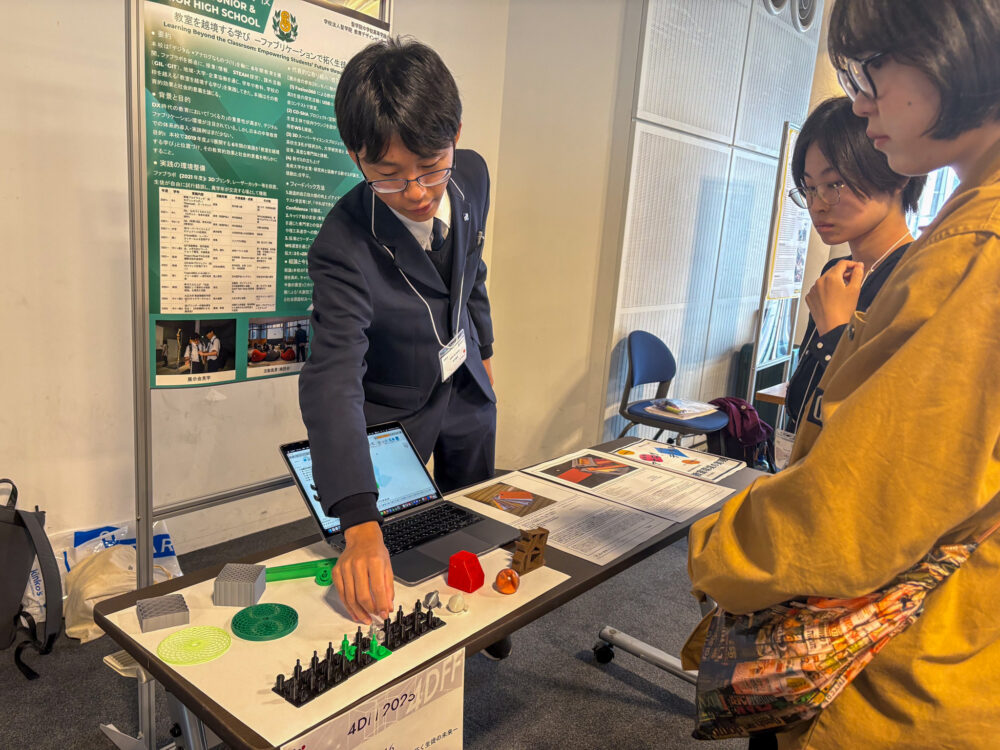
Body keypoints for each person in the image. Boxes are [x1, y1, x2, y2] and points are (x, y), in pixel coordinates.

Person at [684, 2, 1000, 748]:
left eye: (869, 70)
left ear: (955, 44)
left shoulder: (972, 251)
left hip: (893, 664)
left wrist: (716, 546)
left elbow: (857, 508)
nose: (861, 101)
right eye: (811, 187)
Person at [299, 38, 497, 626]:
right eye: (388, 175)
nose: (415, 192)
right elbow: (332, 378)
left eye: (431, 166)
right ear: (355, 156)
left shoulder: (473, 176)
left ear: (455, 134)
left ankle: (478, 613)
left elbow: (472, 271)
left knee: (474, 518)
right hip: (396, 407)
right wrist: (359, 523)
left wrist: (487, 355)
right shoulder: (341, 244)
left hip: (467, 386)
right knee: (398, 552)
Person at [784, 97, 925, 431]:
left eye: (834, 184)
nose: (818, 205)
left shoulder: (918, 278)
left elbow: (890, 418)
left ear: (897, 174)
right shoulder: (836, 274)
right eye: (809, 188)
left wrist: (836, 331)